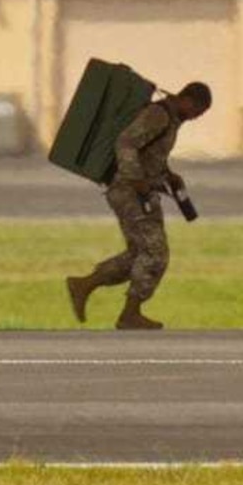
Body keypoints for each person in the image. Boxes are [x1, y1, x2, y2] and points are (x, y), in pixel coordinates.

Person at [65, 81, 213, 330]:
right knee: (156, 254)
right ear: (188, 100)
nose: (196, 118)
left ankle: (84, 285)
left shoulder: (170, 119)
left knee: (138, 254)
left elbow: (149, 154)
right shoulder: (158, 114)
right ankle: (129, 314)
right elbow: (125, 143)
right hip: (130, 191)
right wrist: (137, 181)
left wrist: (167, 174)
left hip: (135, 190)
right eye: (198, 112)